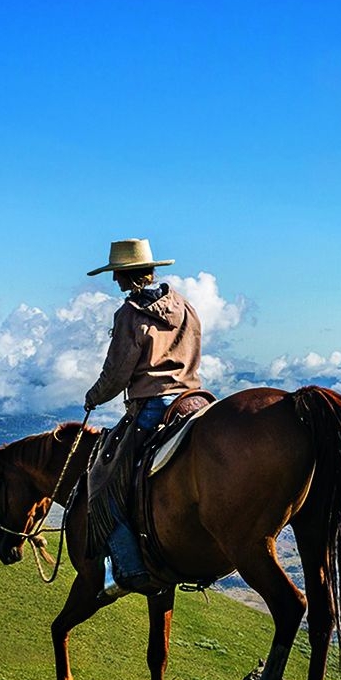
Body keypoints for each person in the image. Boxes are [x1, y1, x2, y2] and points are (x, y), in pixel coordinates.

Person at [82, 238, 203, 596]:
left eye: (117, 273)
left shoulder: (130, 313)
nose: (114, 280)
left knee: (102, 481)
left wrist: (94, 397)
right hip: (194, 400)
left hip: (153, 405)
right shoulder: (184, 305)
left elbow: (117, 372)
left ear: (128, 274)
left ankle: (128, 569)